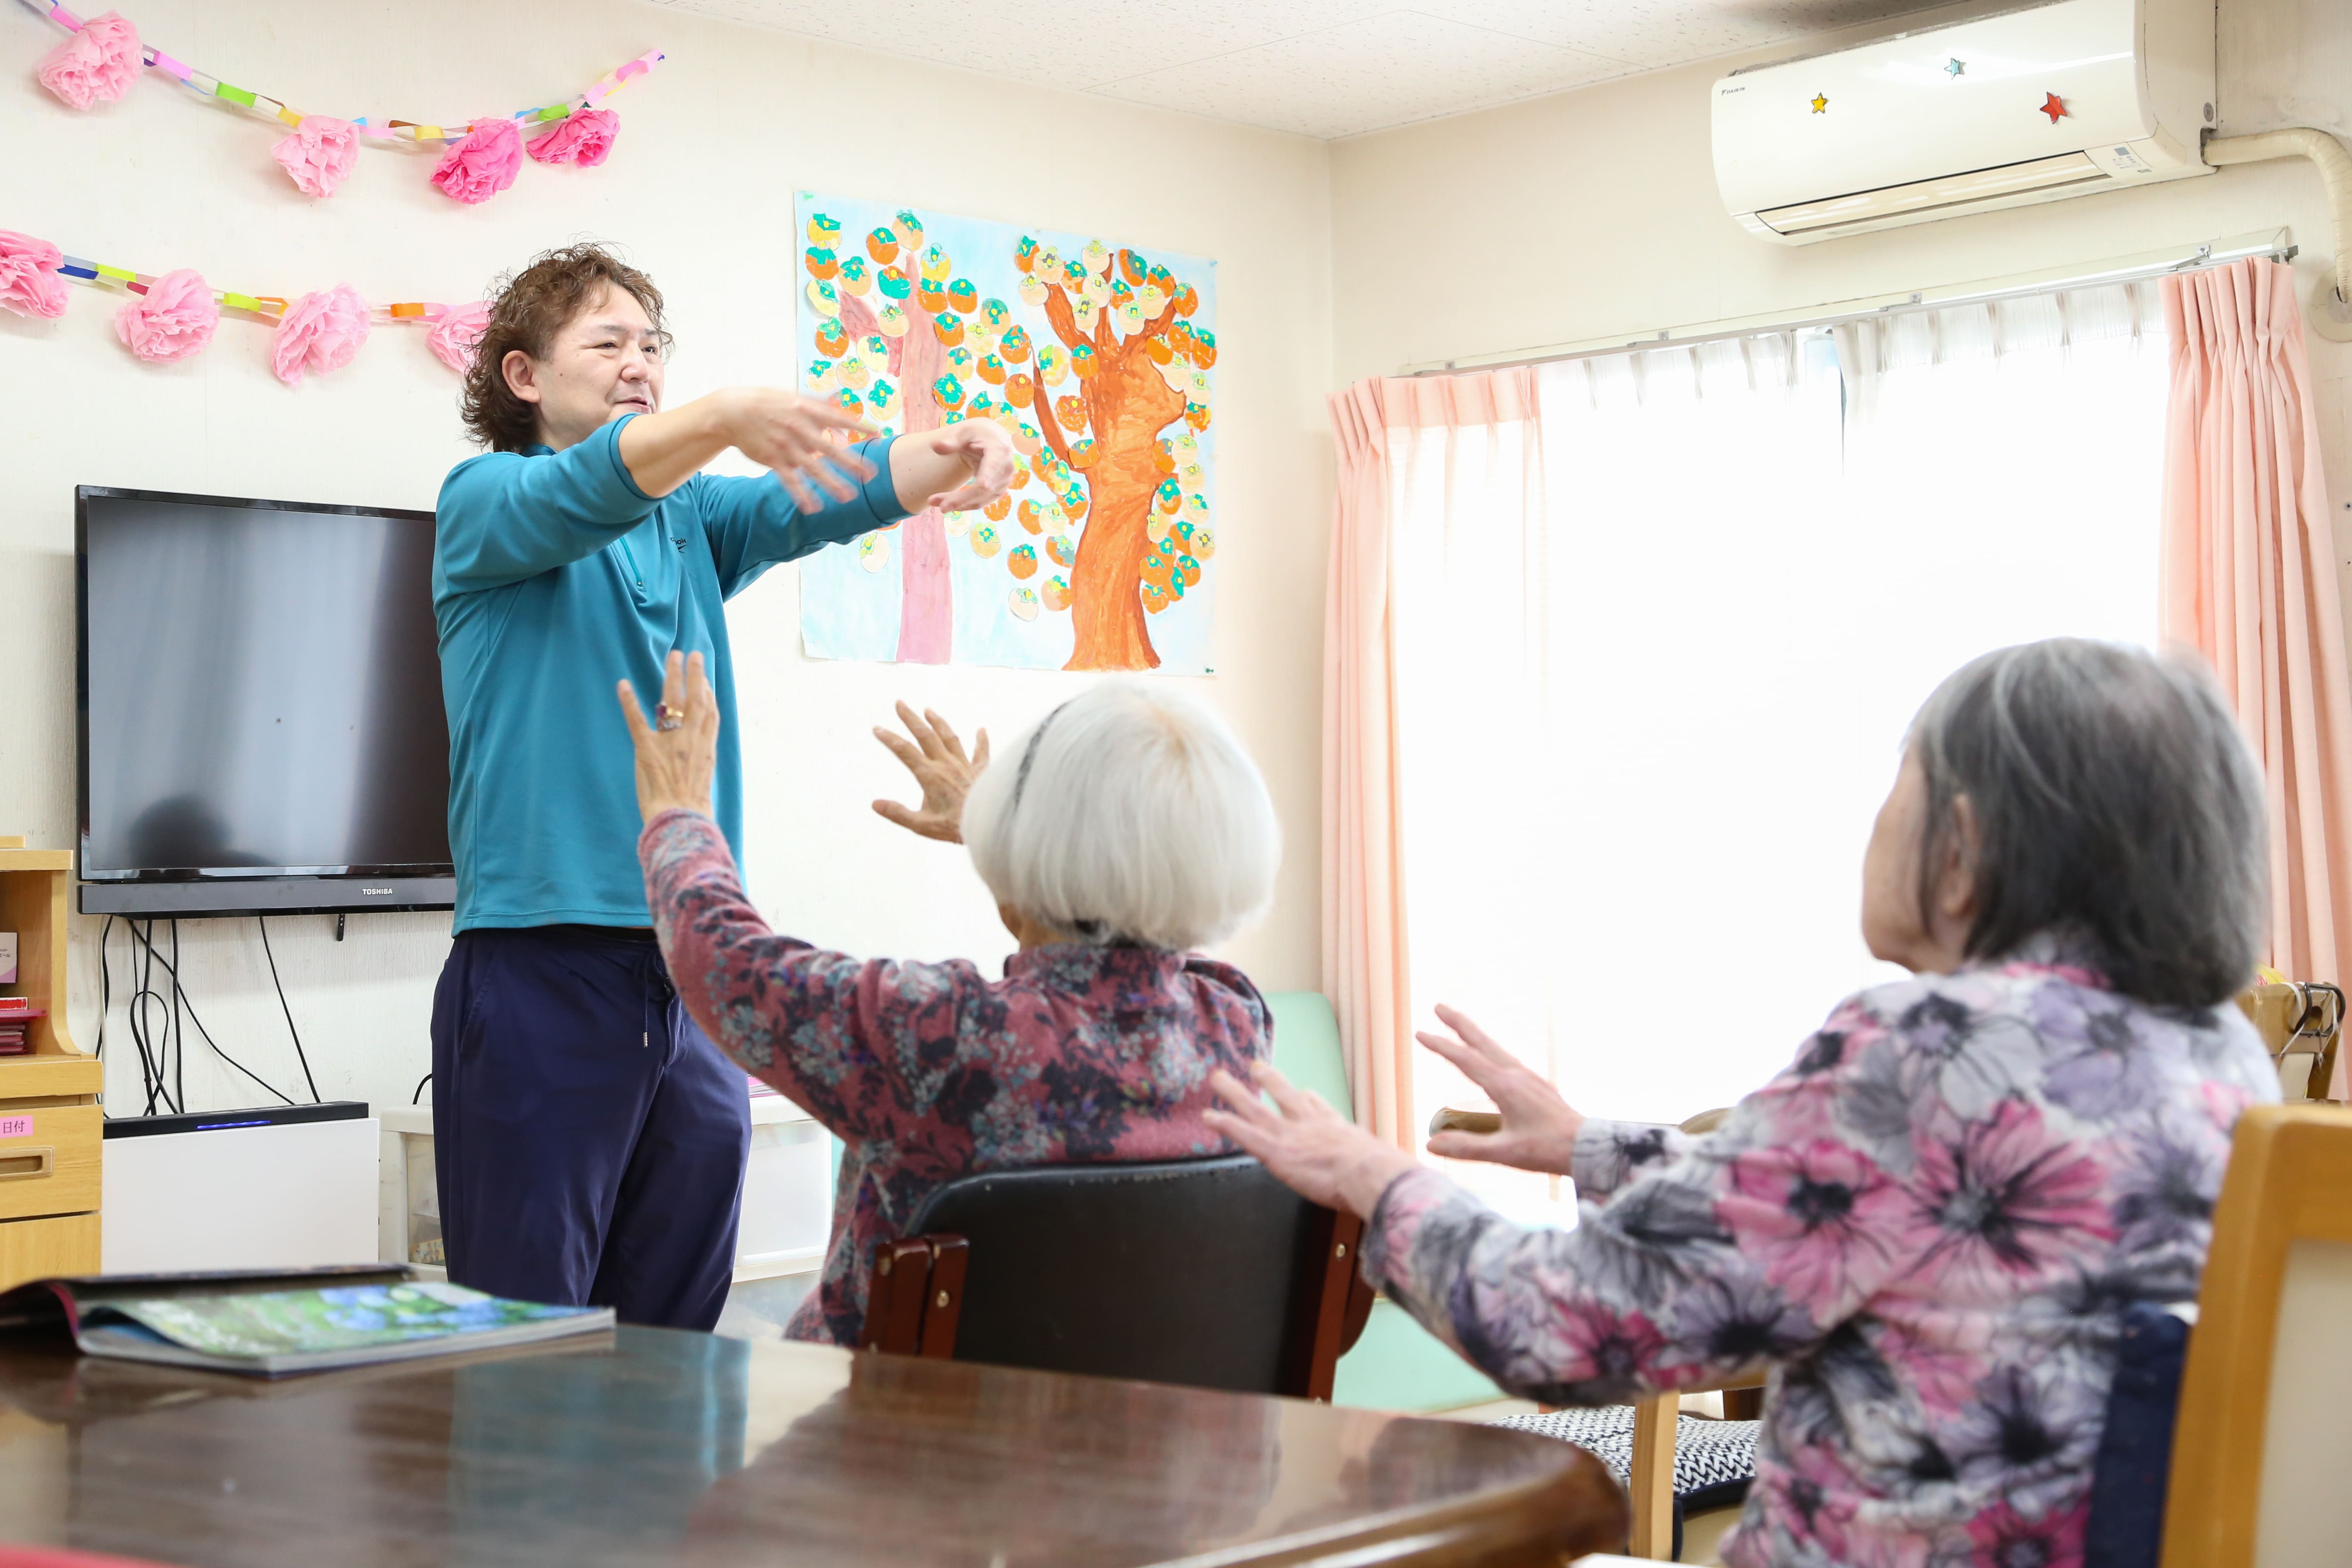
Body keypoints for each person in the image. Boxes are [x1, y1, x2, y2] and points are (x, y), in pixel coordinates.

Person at [1203, 638, 2280, 1567]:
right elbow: (1917, 1222)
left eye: (1891, 788)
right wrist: (1591, 1146)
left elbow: (1576, 1328)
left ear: (1959, 854)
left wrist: (1374, 1177)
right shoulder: (2219, 1058)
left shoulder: (1924, 1052)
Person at [429, 243, 1016, 1330]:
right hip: (539, 966)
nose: (637, 363)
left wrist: (957, 450)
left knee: (676, 1335)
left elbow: (824, 498)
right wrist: (720, 413)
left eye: (650, 346)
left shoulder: (691, 519)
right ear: (524, 378)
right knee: (525, 1340)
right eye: (605, 343)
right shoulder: (483, 502)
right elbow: (583, 489)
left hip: (697, 975)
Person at [616, 651, 1280, 1346]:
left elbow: (728, 966)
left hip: (897, 1442)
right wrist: (1002, 835)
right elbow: (1147, 907)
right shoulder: (1233, 1022)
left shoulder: (942, 1036)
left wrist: (680, 810)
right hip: (1137, 1443)